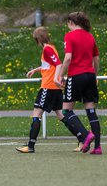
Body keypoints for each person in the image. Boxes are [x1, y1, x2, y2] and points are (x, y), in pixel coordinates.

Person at [16, 26, 85, 153]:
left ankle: (30, 146)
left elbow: (58, 64)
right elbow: (49, 65)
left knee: (37, 114)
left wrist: (55, 78)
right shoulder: (51, 47)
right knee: (60, 115)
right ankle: (82, 138)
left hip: (48, 87)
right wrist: (36, 70)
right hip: (54, 89)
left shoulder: (47, 49)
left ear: (37, 39)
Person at [55, 11, 102, 155]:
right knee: (91, 111)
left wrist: (60, 75)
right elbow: (96, 59)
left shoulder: (69, 36)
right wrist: (95, 75)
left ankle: (85, 134)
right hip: (89, 75)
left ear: (70, 22)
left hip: (76, 76)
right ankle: (98, 147)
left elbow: (68, 58)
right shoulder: (90, 36)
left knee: (66, 110)